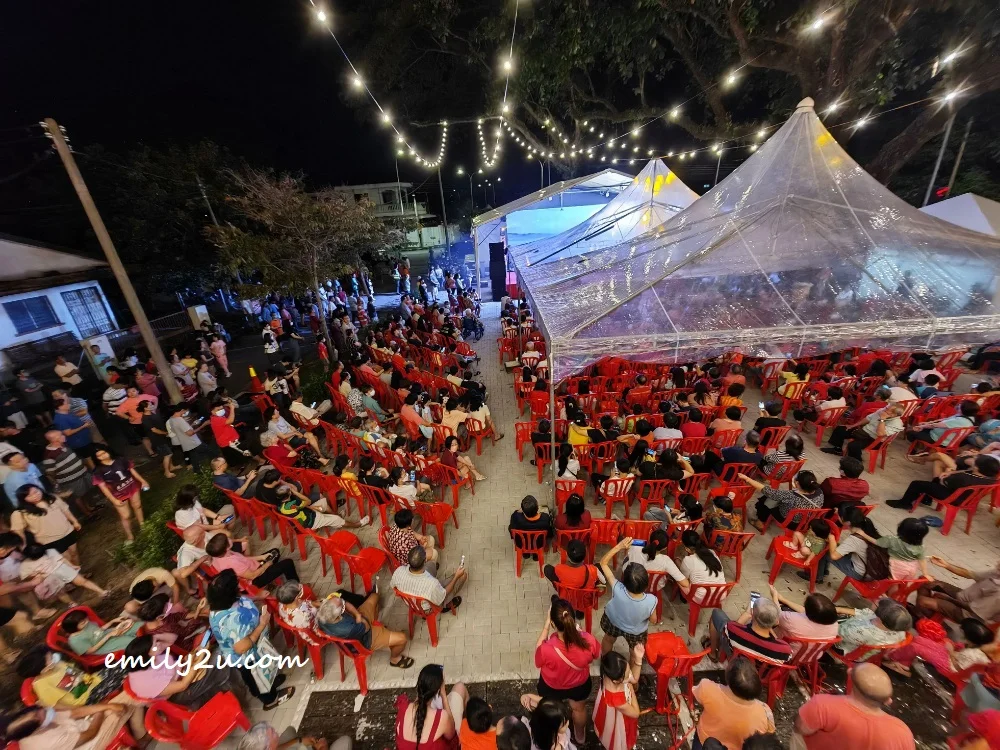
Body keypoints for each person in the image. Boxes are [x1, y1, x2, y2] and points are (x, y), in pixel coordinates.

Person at [205, 570, 296, 709]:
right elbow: (242, 647)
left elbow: (240, 600)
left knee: (262, 671)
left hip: (255, 648)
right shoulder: (230, 622)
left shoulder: (222, 601)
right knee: (254, 677)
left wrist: (255, 597)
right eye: (236, 587)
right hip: (245, 657)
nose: (239, 588)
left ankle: (269, 683)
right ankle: (270, 699)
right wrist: (262, 624)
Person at [519, 597, 601, 745]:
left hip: (552, 687)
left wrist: (546, 627)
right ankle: (580, 735)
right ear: (572, 618)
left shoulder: (547, 648)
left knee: (551, 710)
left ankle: (555, 734)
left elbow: (538, 660)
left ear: (553, 624)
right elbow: (595, 655)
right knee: (579, 709)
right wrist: (581, 633)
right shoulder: (588, 640)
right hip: (579, 685)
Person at [792, 664, 915, 750]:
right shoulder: (903, 732)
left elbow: (801, 728)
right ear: (888, 701)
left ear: (850, 676)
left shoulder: (823, 704)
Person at [311, 585, 413, 668]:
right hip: (365, 638)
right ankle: (394, 659)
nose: (344, 603)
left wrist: (356, 614)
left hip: (358, 620)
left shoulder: (322, 613)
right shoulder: (348, 629)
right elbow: (367, 626)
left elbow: (342, 604)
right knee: (402, 638)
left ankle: (380, 627)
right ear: (340, 613)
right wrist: (359, 616)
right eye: (342, 605)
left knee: (375, 596)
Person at [693, 656, 775, 750]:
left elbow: (697, 694)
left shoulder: (707, 688)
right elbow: (769, 736)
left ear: (728, 677)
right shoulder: (765, 713)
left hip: (703, 742)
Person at [598, 537, 657, 658]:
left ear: (623, 580)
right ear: (646, 584)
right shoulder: (651, 600)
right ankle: (633, 668)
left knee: (608, 640)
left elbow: (603, 562)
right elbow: (653, 620)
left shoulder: (617, 588)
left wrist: (619, 546)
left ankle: (605, 660)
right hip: (636, 631)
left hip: (613, 621)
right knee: (635, 651)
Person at [883, 616, 995, 678]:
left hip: (951, 668)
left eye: (962, 631)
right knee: (918, 639)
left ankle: (890, 657)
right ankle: (904, 664)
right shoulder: (973, 645)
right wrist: (952, 647)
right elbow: (958, 648)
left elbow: (960, 668)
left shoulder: (973, 654)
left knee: (916, 648)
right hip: (952, 657)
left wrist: (951, 652)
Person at [887, 453, 1000, 510]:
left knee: (917, 484)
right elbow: (968, 473)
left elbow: (942, 481)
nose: (973, 462)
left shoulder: (964, 478)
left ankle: (905, 503)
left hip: (953, 497)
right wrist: (952, 473)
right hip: (967, 499)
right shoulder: (992, 479)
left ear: (978, 468)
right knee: (934, 480)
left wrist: (948, 471)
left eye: (975, 462)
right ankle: (927, 498)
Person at [395, 663, 468, 750]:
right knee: (460, 687)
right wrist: (444, 696)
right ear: (438, 689)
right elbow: (452, 736)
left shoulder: (403, 708)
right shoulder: (441, 717)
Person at [704, 593, 791, 664]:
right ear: (776, 622)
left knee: (716, 613)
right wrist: (769, 627)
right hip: (759, 673)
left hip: (736, 660)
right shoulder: (785, 650)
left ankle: (713, 654)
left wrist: (746, 613)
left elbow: (730, 629)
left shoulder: (734, 630)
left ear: (752, 613)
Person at [917, 556, 1000, 624]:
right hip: (963, 597)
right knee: (924, 581)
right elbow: (970, 574)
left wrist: (948, 599)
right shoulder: (997, 573)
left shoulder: (998, 595)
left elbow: (974, 611)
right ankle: (923, 612)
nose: (998, 561)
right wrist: (946, 565)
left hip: (968, 615)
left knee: (923, 601)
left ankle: (932, 626)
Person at [11, 485, 81, 566]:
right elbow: (18, 532)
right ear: (23, 499)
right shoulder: (20, 513)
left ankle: (80, 573)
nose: (35, 496)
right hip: (49, 540)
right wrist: (23, 547)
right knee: (66, 559)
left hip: (67, 531)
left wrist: (75, 521)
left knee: (74, 553)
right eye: (29, 495)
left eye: (36, 491)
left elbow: (65, 510)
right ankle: (75, 577)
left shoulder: (52, 498)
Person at [91, 448, 147, 543]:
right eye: (99, 455)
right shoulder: (98, 471)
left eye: (104, 453)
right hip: (118, 494)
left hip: (132, 487)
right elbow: (103, 487)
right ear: (96, 458)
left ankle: (142, 524)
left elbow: (132, 471)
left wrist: (143, 481)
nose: (103, 456)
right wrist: (113, 500)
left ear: (108, 451)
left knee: (137, 506)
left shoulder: (121, 460)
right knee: (125, 516)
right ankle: (130, 536)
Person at [207, 532, 299, 589]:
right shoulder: (232, 563)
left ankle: (272, 578)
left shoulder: (218, 555)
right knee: (288, 563)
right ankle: (297, 587)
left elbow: (243, 559)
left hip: (254, 567)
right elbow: (252, 576)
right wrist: (267, 565)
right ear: (226, 548)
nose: (230, 539)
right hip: (255, 581)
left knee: (275, 552)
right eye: (228, 540)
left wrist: (261, 557)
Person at [392, 545, 467, 613]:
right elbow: (444, 593)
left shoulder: (398, 571)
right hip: (428, 608)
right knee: (463, 576)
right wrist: (456, 576)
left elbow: (393, 587)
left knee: (432, 565)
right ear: (425, 561)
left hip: (411, 604)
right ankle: (446, 605)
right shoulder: (432, 583)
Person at [40, 430, 99, 517]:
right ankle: (87, 514)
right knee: (77, 497)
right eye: (61, 435)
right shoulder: (49, 455)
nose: (63, 436)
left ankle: (90, 507)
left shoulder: (63, 445)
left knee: (84, 492)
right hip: (71, 480)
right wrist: (57, 484)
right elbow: (50, 473)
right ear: (54, 440)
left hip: (81, 474)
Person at [742, 469, 823, 531]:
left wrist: (747, 479)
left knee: (767, 499)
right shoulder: (819, 491)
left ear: (797, 483)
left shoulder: (791, 495)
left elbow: (767, 491)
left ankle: (760, 523)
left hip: (791, 522)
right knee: (776, 498)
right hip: (807, 522)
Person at [592, 650, 642, 750]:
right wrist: (631, 690)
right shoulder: (617, 700)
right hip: (619, 719)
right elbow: (636, 713)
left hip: (609, 709)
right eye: (627, 675)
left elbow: (633, 679)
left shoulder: (608, 674)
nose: (630, 676)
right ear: (617, 681)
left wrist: (638, 660)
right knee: (617, 738)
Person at [822, 402, 905, 460]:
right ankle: (837, 449)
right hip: (864, 432)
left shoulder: (897, 423)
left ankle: (856, 461)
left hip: (875, 440)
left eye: (887, 409)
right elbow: (868, 418)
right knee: (840, 429)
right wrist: (852, 426)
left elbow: (880, 434)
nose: (884, 409)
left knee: (853, 445)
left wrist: (882, 419)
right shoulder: (882, 411)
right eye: (886, 407)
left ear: (894, 415)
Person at [815, 507, 878, 583]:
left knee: (824, 551)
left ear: (848, 522)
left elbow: (834, 556)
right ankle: (824, 572)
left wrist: (831, 539)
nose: (838, 518)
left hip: (862, 573)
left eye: (840, 517)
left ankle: (817, 577)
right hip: (873, 570)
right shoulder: (867, 526)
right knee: (835, 546)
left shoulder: (854, 539)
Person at [836, 597, 911, 657]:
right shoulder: (899, 628)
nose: (875, 600)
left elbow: (839, 633)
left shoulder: (862, 632)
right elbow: (866, 613)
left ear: (880, 617)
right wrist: (839, 609)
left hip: (846, 648)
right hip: (865, 647)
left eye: (877, 603)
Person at [768, 585, 839, 645]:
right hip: (810, 657)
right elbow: (804, 610)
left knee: (766, 614)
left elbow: (777, 614)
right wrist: (783, 599)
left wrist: (774, 596)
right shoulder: (835, 624)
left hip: (788, 651)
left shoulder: (792, 619)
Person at [906, 399, 980, 456]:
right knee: (920, 427)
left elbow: (936, 425)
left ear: (964, 409)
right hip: (945, 438)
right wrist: (926, 423)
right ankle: (921, 448)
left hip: (939, 440)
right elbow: (943, 420)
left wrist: (922, 426)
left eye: (960, 406)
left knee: (910, 431)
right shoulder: (970, 418)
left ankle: (917, 449)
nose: (958, 406)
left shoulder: (960, 420)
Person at [59, 609, 140, 657]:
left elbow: (99, 630)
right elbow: (90, 651)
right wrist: (108, 636)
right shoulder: (75, 640)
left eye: (86, 619)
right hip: (102, 646)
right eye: (83, 622)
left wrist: (113, 621)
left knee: (138, 626)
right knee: (133, 642)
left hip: (107, 634)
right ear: (73, 627)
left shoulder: (85, 624)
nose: (87, 622)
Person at [51, 400, 99, 469]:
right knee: (88, 459)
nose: (68, 404)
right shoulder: (60, 419)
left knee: (91, 457)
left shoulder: (67, 413)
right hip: (79, 443)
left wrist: (83, 423)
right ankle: (95, 474)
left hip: (84, 440)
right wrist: (83, 426)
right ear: (60, 407)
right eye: (66, 403)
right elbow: (68, 432)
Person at [167, 405, 216, 471]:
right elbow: (190, 433)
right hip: (193, 441)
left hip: (186, 443)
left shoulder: (171, 419)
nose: (186, 413)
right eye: (186, 411)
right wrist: (203, 425)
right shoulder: (179, 420)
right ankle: (216, 466)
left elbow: (181, 430)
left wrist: (192, 425)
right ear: (182, 410)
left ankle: (197, 471)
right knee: (211, 452)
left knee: (194, 457)